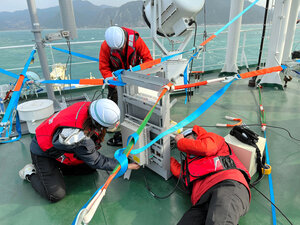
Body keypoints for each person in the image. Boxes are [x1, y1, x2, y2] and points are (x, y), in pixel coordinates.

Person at [19, 99, 139, 202]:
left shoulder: (89, 107)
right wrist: (125, 165)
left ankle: (55, 170)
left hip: (55, 144)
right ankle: (31, 173)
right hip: (42, 150)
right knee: (56, 195)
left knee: (89, 169)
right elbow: (97, 161)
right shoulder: (79, 137)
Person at [170, 125, 251, 225]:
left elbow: (207, 148)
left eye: (187, 138)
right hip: (202, 200)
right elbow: (180, 173)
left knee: (219, 221)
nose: (185, 141)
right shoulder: (190, 163)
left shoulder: (210, 138)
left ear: (195, 135)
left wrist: (181, 142)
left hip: (227, 184)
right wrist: (164, 158)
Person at [99, 26, 153, 146]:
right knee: (113, 101)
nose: (119, 50)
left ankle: (135, 123)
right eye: (116, 50)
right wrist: (112, 80)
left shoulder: (136, 41)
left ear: (125, 39)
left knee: (136, 101)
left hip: (134, 78)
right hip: (116, 80)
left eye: (121, 48)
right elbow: (104, 67)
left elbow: (148, 60)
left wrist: (138, 76)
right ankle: (114, 122)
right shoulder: (105, 46)